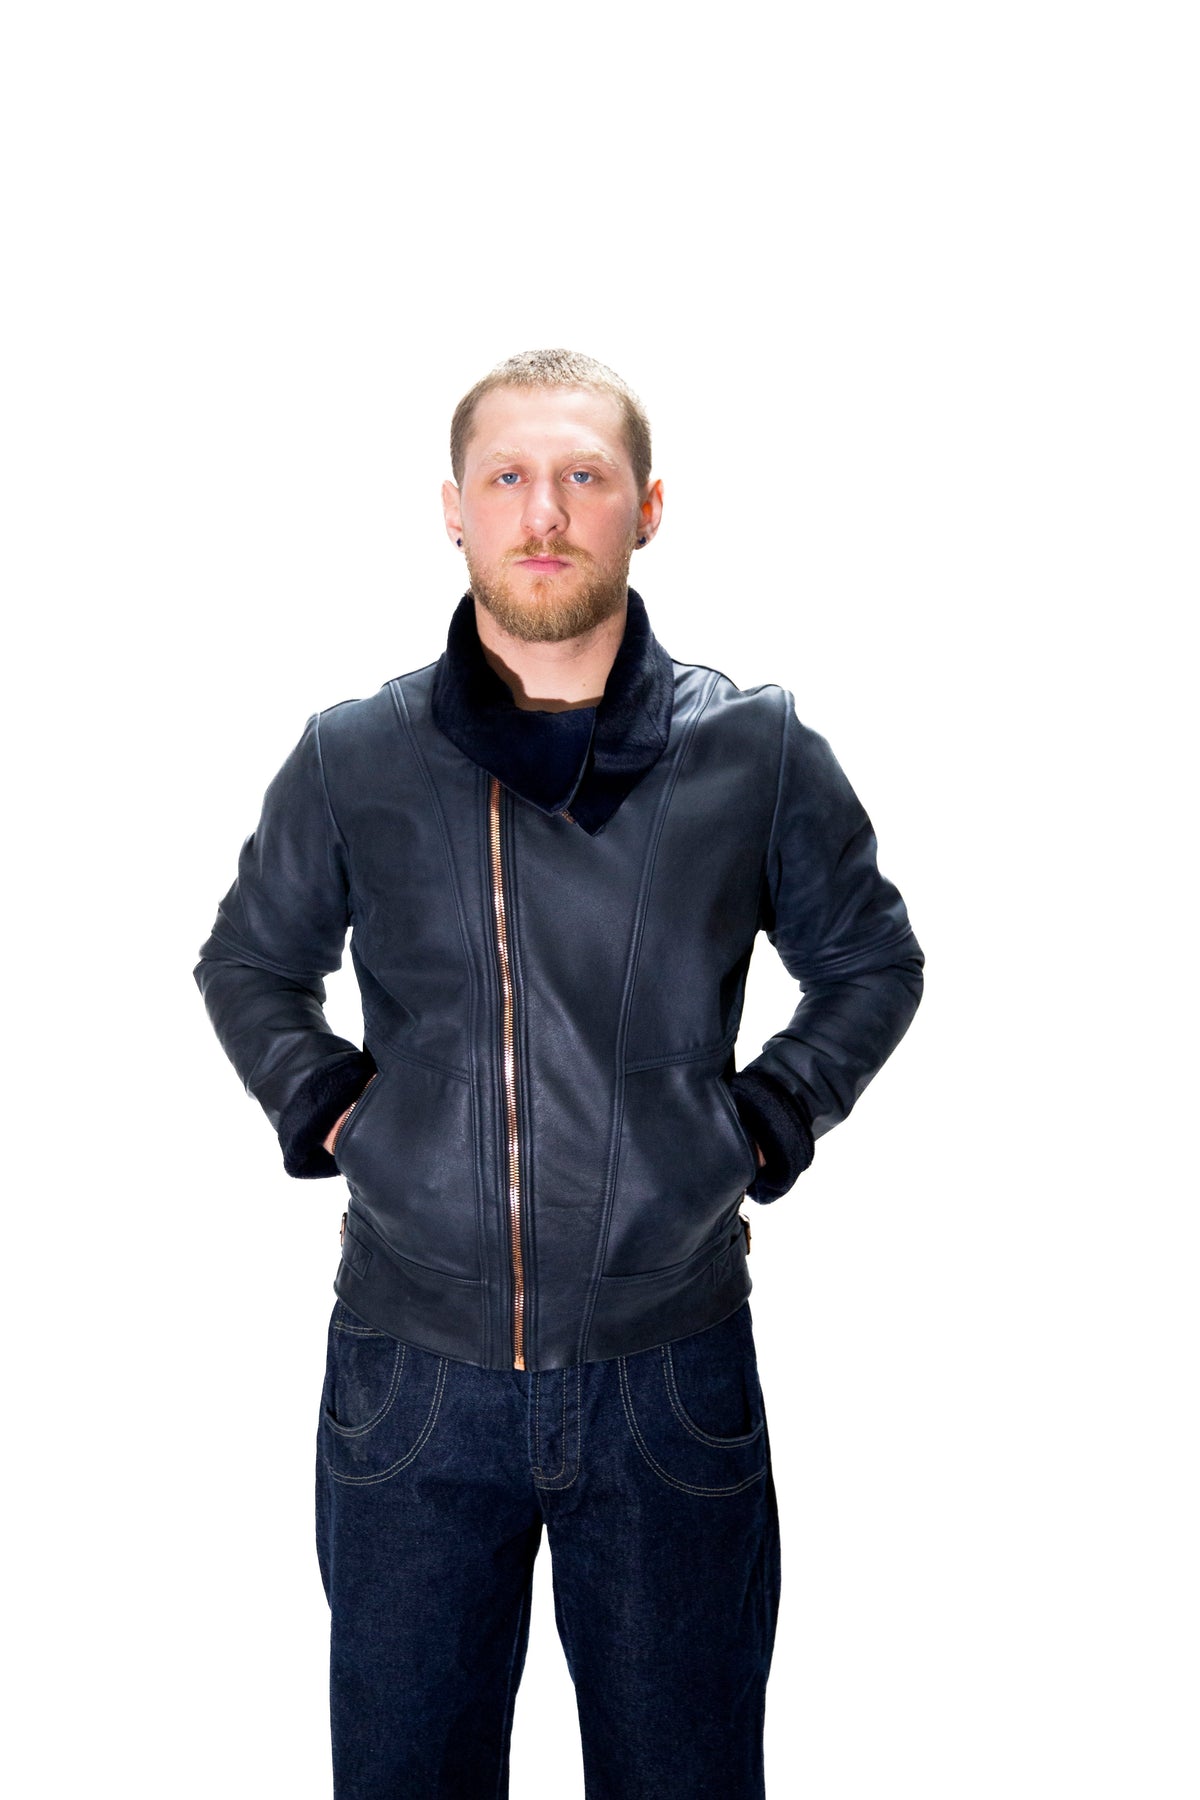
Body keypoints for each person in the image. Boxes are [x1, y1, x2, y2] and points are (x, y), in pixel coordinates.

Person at [194, 348, 924, 1799]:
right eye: (509, 477)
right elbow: (249, 964)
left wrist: (761, 1123)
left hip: (672, 1374)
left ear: (646, 508)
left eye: (584, 476)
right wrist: (338, 1109)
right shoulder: (354, 756)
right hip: (409, 1380)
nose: (545, 511)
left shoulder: (755, 747)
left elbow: (870, 963)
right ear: (451, 510)